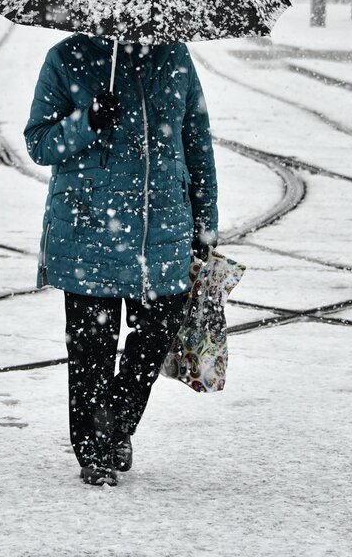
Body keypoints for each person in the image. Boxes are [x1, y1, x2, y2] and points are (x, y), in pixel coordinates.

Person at [24, 34, 219, 487]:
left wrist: (205, 219)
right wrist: (87, 120)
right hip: (89, 226)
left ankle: (114, 422)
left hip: (164, 224)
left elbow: (197, 141)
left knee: (157, 333)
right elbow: (39, 143)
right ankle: (94, 449)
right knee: (91, 347)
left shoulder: (174, 56)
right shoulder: (66, 58)